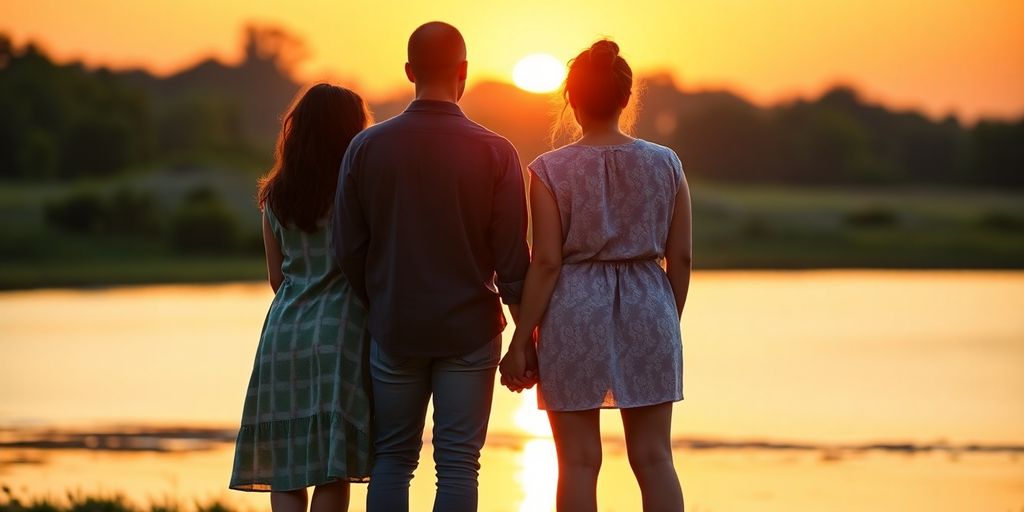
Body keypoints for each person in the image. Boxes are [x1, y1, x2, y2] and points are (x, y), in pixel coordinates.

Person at [331, 21, 531, 512]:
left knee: (392, 459)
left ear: (408, 71)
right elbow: (512, 260)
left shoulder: (366, 148)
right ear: (464, 70)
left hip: (395, 325)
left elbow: (348, 248)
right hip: (470, 328)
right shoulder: (496, 151)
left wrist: (380, 299)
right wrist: (528, 336)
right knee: (460, 462)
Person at [499, 40, 691, 512]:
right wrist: (668, 317)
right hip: (650, 304)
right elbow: (681, 257)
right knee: (653, 457)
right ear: (626, 99)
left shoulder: (548, 169)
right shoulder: (666, 163)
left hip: (573, 312)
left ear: (573, 100)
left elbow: (545, 262)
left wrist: (522, 340)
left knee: (579, 462)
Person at [230, 83, 373, 512]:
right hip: (341, 331)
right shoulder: (356, 190)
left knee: (285, 463)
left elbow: (277, 277)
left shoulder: (275, 193)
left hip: (283, 332)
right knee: (333, 464)